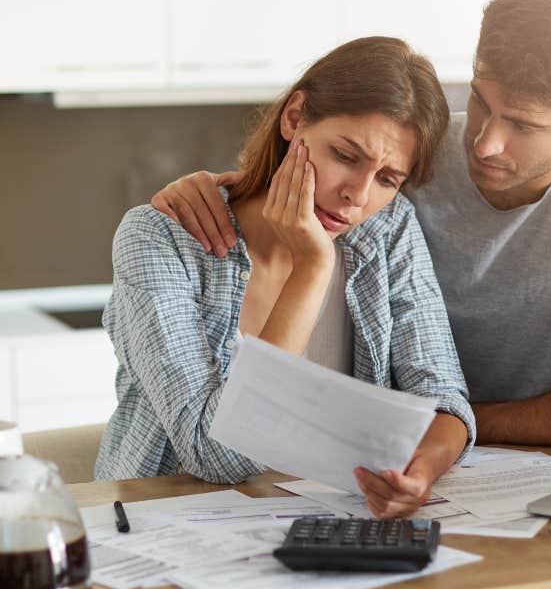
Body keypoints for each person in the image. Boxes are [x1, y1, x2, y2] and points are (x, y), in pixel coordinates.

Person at [152, 0, 551, 449]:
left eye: (523, 126)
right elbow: (316, 181)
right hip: (390, 453)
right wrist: (220, 190)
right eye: (480, 101)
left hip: (457, 452)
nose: (485, 144)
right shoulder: (414, 157)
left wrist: (444, 426)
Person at [96, 37, 475, 518]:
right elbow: (217, 457)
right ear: (294, 118)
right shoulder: (161, 240)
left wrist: (421, 472)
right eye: (345, 155)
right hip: (170, 524)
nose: (358, 196)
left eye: (387, 179)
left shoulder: (388, 228)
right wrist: (312, 268)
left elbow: (444, 399)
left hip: (325, 519)